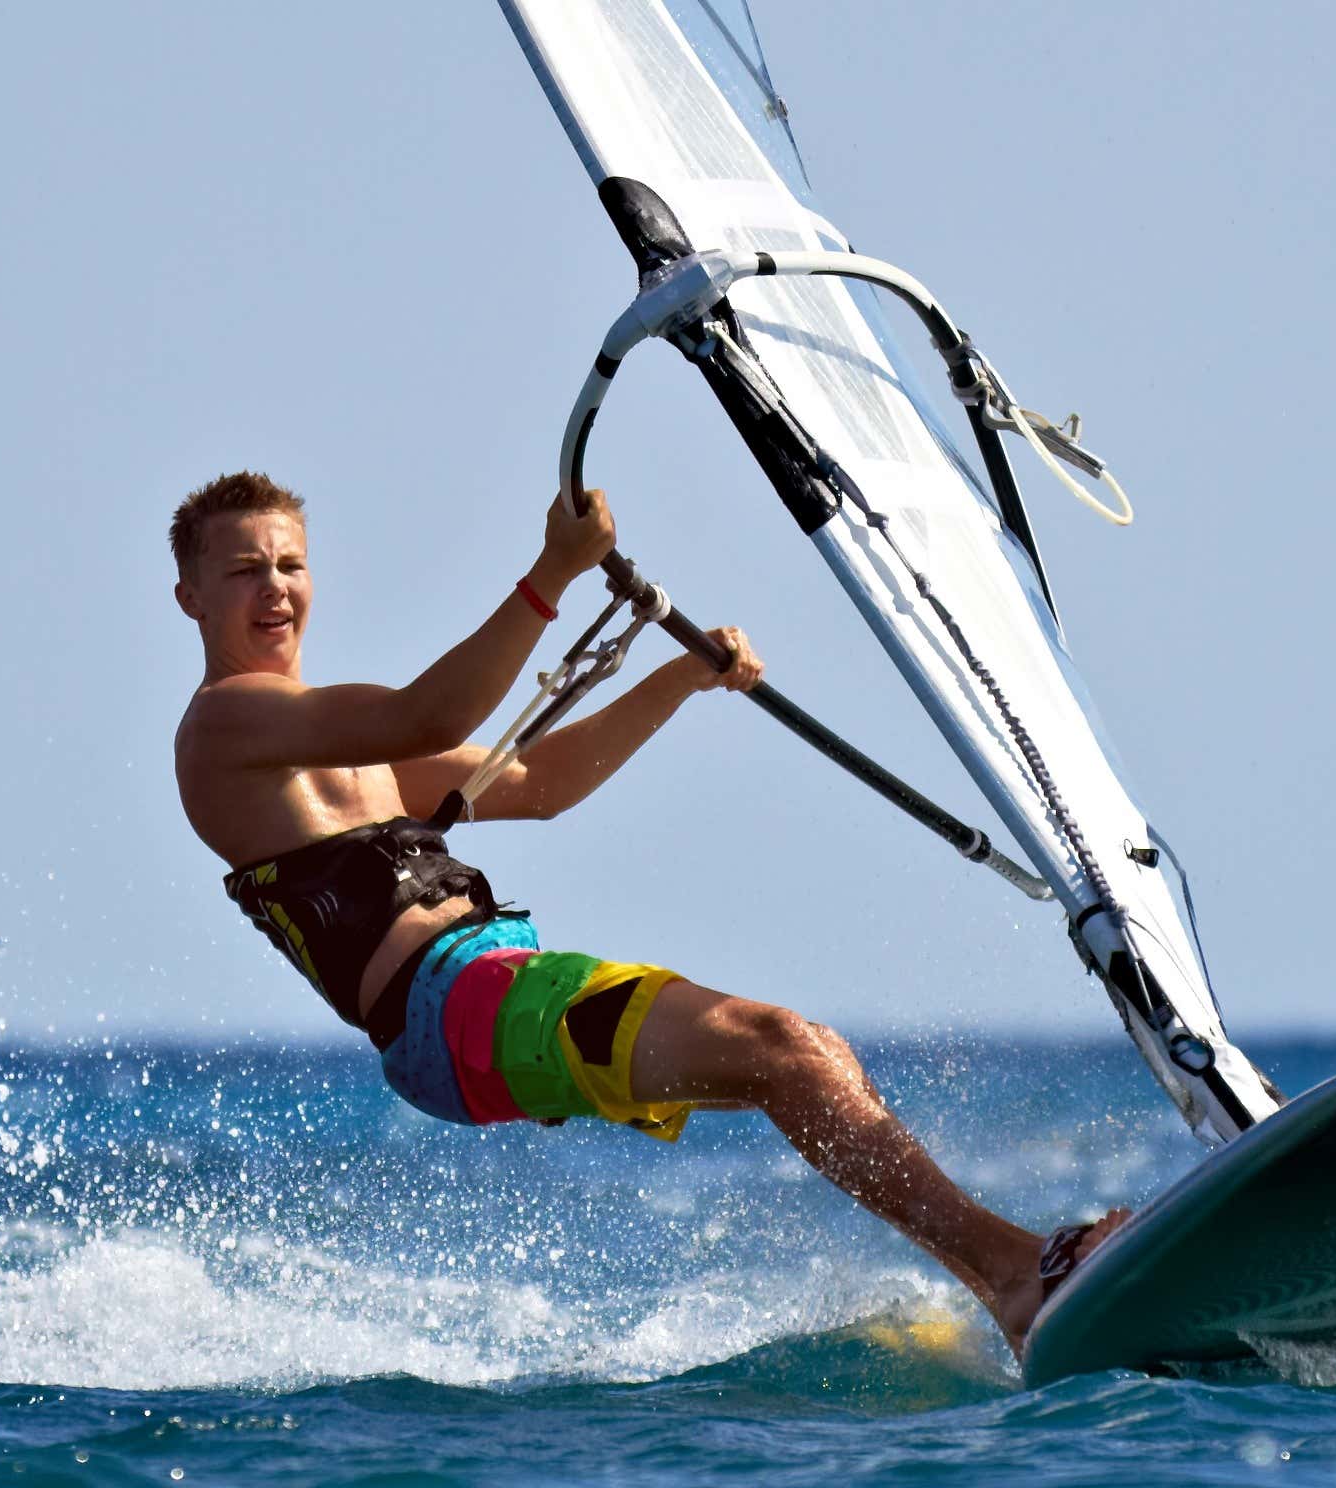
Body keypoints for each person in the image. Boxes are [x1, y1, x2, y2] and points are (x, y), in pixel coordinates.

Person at [164, 469, 1119, 1353]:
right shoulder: (223, 725)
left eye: (290, 563)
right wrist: (552, 573)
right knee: (781, 1047)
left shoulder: (340, 745)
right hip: (458, 1014)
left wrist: (684, 676)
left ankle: (1011, 1286)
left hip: (489, 1002)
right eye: (244, 569)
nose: (275, 587)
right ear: (192, 598)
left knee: (799, 1060)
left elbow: (539, 779)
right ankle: (1016, 1276)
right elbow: (430, 715)